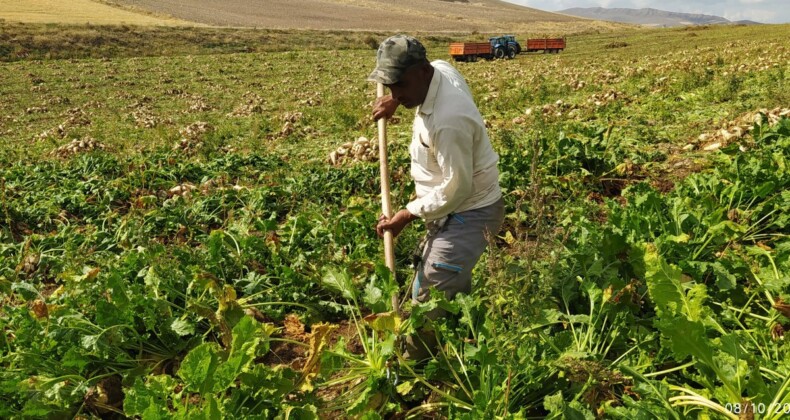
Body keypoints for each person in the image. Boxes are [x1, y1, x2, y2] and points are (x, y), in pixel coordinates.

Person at [368, 35, 505, 360]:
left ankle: (415, 370)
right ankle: (458, 328)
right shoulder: (440, 70)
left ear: (421, 72)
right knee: (441, 280)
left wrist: (408, 213)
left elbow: (457, 189)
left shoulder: (449, 121)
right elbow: (410, 88)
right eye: (388, 86)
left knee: (429, 291)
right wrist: (396, 101)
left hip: (470, 211)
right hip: (452, 206)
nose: (394, 93)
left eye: (398, 85)